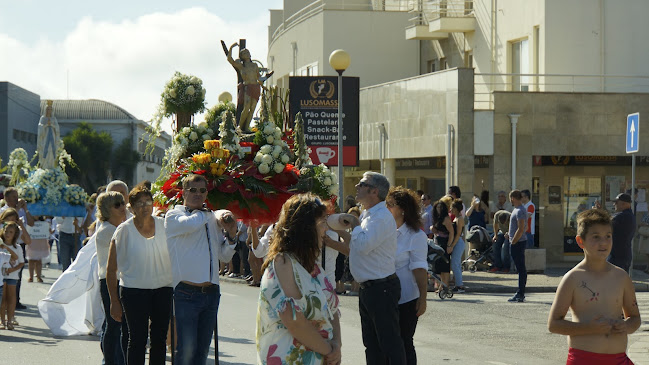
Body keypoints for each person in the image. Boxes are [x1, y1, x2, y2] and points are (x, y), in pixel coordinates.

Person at [256, 193, 341, 365]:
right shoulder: (283, 263)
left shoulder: (313, 267)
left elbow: (331, 311)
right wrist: (329, 350)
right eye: (323, 222)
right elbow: (294, 319)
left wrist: (336, 344)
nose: (326, 229)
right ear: (306, 227)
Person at [548, 209, 640, 364]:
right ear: (580, 241)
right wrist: (589, 328)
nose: (603, 243)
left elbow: (635, 318)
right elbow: (554, 324)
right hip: (584, 359)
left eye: (608, 236)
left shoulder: (621, 277)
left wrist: (625, 326)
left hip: (619, 359)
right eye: (596, 237)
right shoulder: (573, 278)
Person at [164, 174, 238, 365]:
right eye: (193, 190)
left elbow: (224, 256)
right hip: (186, 293)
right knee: (186, 351)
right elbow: (189, 225)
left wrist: (231, 235)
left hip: (211, 293)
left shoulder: (210, 218)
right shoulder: (174, 215)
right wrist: (212, 213)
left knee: (202, 352)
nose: (198, 194)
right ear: (183, 192)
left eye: (202, 191)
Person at [336, 171, 406, 364]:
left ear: (374, 191)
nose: (357, 187)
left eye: (362, 184)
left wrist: (355, 224)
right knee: (372, 344)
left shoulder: (381, 217)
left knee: (389, 343)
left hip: (381, 288)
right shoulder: (369, 214)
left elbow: (364, 245)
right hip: (370, 288)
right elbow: (357, 247)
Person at [107, 186, 173, 364]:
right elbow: (111, 268)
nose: (145, 206)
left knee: (159, 340)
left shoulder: (164, 225)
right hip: (134, 291)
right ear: (132, 207)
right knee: (137, 340)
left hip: (163, 289)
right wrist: (114, 300)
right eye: (140, 203)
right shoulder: (123, 230)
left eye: (148, 202)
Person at [385, 187, 428, 365]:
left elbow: (419, 269)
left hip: (406, 298)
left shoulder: (415, 236)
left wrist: (423, 298)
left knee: (404, 342)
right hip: (385, 296)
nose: (386, 208)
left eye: (391, 205)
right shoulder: (385, 232)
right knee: (387, 344)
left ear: (402, 209)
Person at [95, 191, 128, 365]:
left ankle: (116, 360)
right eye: (117, 205)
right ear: (107, 210)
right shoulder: (107, 230)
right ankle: (110, 361)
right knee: (114, 325)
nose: (123, 207)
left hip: (120, 280)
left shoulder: (118, 227)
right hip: (110, 281)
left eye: (122, 203)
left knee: (117, 325)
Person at [227, 43, 265, 131]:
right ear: (242, 57)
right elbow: (230, 59)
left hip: (255, 87)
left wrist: (263, 86)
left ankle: (247, 126)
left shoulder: (254, 65)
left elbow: (258, 77)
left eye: (247, 52)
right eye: (244, 53)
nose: (246, 54)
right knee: (246, 106)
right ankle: (240, 126)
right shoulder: (241, 66)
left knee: (252, 108)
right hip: (247, 87)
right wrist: (231, 47)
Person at [595, 193, 635, 274]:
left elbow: (604, 224)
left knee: (613, 283)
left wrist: (598, 213)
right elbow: (611, 219)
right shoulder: (627, 215)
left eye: (616, 202)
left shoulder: (623, 216)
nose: (614, 204)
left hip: (617, 257)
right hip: (622, 255)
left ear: (624, 203)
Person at [0, 221, 24, 330]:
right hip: (1, 276)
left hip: (12, 276)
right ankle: (2, 321)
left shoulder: (17, 247)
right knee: (2, 299)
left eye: (11, 232)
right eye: (6, 231)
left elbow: (21, 262)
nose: (8, 234)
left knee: (11, 299)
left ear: (15, 234)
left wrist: (12, 269)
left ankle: (10, 320)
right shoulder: (0, 246)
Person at [507, 190, 528, 303]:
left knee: (521, 269)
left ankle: (520, 293)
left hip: (518, 243)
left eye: (510, 198)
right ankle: (520, 292)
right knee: (520, 268)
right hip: (516, 241)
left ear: (513, 198)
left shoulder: (520, 210)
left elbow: (521, 228)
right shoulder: (517, 210)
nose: (510, 200)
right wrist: (509, 235)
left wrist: (514, 241)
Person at [432, 200, 455, 290]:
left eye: (441, 207)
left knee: (445, 266)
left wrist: (449, 245)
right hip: (438, 242)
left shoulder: (446, 218)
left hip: (445, 243)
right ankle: (442, 285)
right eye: (437, 207)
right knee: (440, 265)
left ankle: (446, 286)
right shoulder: (437, 218)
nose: (439, 209)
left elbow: (451, 232)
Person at [26, 216, 50, 282]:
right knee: (31, 261)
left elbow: (48, 231)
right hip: (32, 243)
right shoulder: (29, 222)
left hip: (41, 243)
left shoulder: (44, 223)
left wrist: (48, 228)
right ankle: (31, 276)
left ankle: (38, 276)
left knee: (39, 261)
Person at [449, 199, 466, 293]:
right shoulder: (455, 218)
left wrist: (452, 245)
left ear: (456, 209)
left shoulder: (460, 219)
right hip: (457, 242)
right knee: (456, 264)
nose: (450, 209)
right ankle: (458, 284)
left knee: (455, 263)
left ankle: (460, 285)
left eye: (452, 208)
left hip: (458, 242)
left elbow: (458, 234)